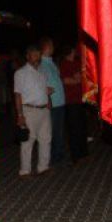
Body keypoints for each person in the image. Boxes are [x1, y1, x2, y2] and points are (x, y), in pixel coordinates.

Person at [14, 46, 52, 176]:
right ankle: (25, 170)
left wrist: (48, 102)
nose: (37, 57)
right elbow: (18, 95)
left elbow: (45, 90)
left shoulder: (42, 72)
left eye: (38, 54)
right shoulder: (21, 73)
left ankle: (43, 167)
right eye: (34, 54)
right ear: (27, 56)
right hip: (29, 110)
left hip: (43, 110)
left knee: (45, 139)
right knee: (28, 141)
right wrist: (20, 115)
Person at [39, 37, 66, 167]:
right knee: (54, 131)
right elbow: (43, 85)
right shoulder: (42, 65)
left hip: (60, 102)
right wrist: (48, 100)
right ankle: (55, 158)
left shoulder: (51, 62)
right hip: (53, 103)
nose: (53, 48)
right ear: (46, 47)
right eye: (51, 46)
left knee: (59, 130)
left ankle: (59, 155)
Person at [60, 45, 89, 162]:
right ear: (71, 50)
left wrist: (78, 80)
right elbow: (66, 80)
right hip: (71, 101)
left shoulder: (77, 63)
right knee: (74, 129)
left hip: (81, 100)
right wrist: (76, 80)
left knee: (82, 127)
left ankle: (84, 153)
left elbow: (83, 78)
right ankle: (76, 155)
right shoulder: (64, 64)